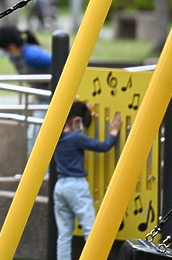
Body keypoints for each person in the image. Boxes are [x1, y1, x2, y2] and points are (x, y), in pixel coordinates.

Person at [53, 100, 121, 260]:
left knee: (63, 236)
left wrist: (85, 111)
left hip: (60, 186)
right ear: (76, 120)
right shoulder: (75, 138)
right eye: (82, 123)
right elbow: (103, 146)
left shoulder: (56, 136)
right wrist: (114, 131)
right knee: (91, 232)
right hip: (76, 187)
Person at [0, 24, 52, 155]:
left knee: (36, 141)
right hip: (42, 99)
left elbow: (63, 62)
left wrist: (55, 79)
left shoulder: (32, 55)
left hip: (51, 100)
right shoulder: (14, 57)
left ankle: (42, 174)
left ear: (11, 46)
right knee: (34, 139)